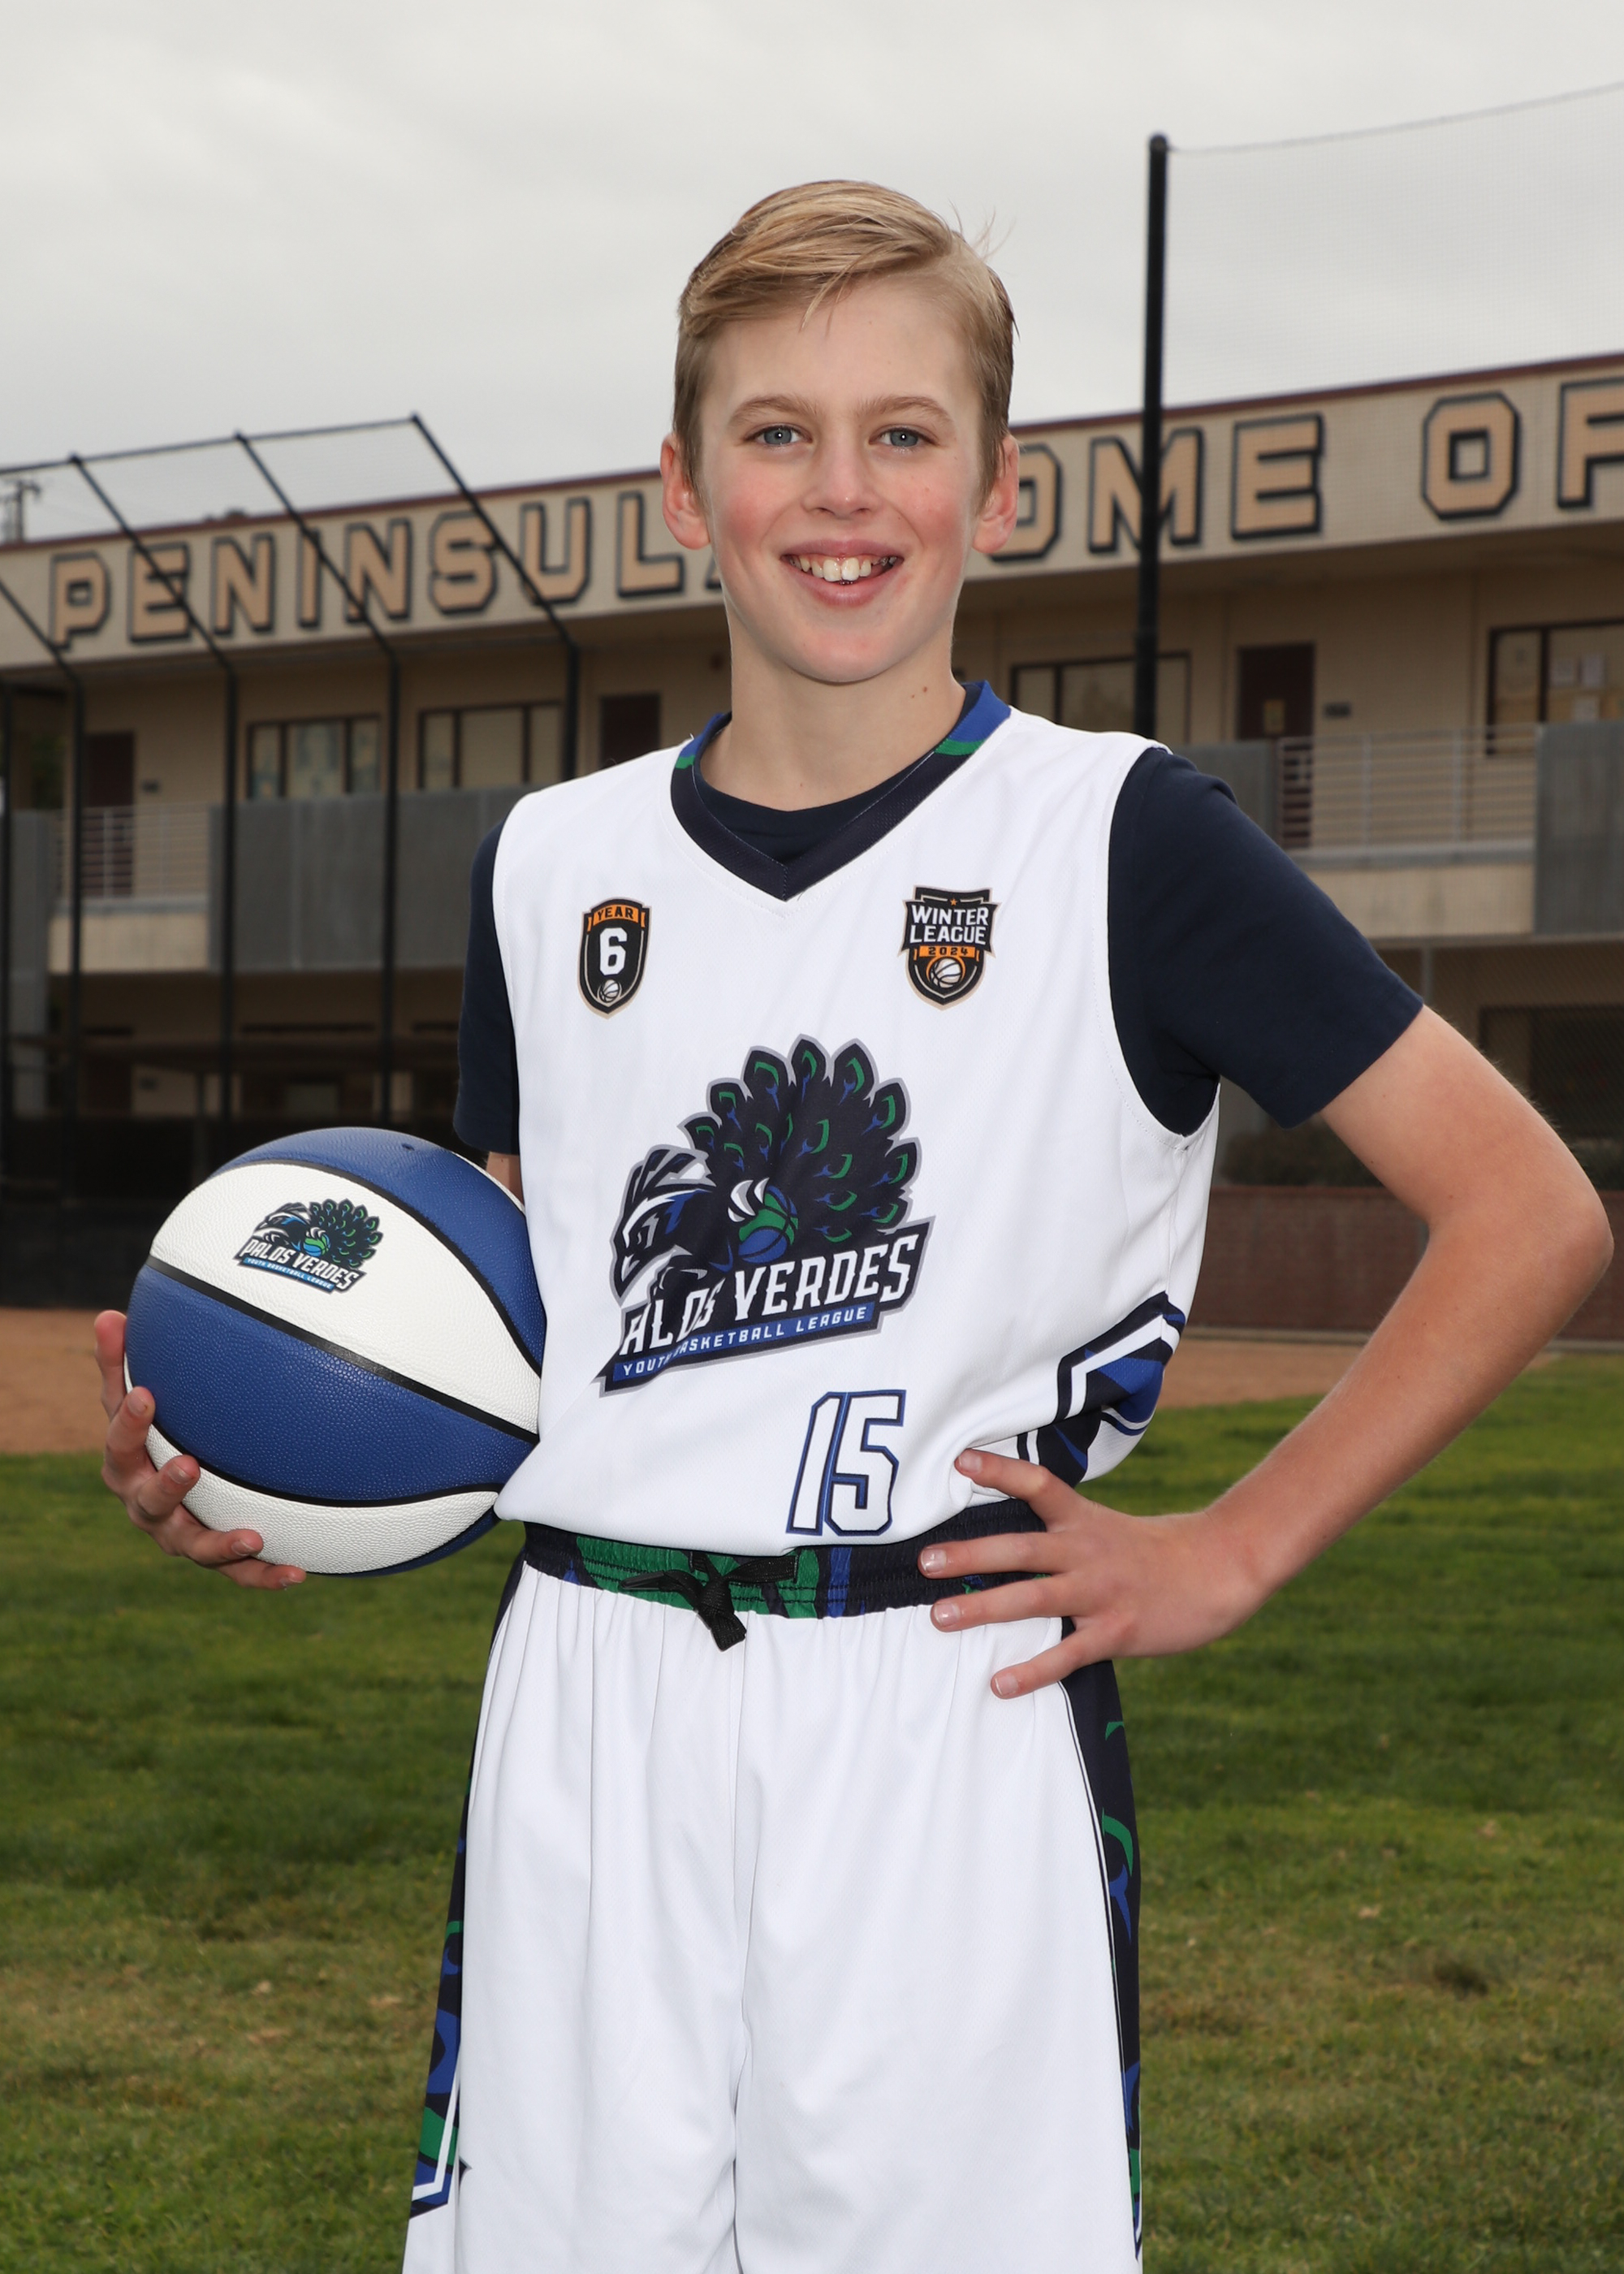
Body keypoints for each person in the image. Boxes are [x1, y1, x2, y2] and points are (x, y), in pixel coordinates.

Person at [97, 182, 1612, 2274]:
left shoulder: (1123, 836)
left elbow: (1529, 1210)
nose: (842, 491)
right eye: (778, 432)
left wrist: (1235, 1549)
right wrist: (275, 1461)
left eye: (904, 433)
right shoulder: (551, 863)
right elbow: (515, 1314)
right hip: (594, 1687)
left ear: (999, 488)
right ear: (682, 485)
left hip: (944, 1693)